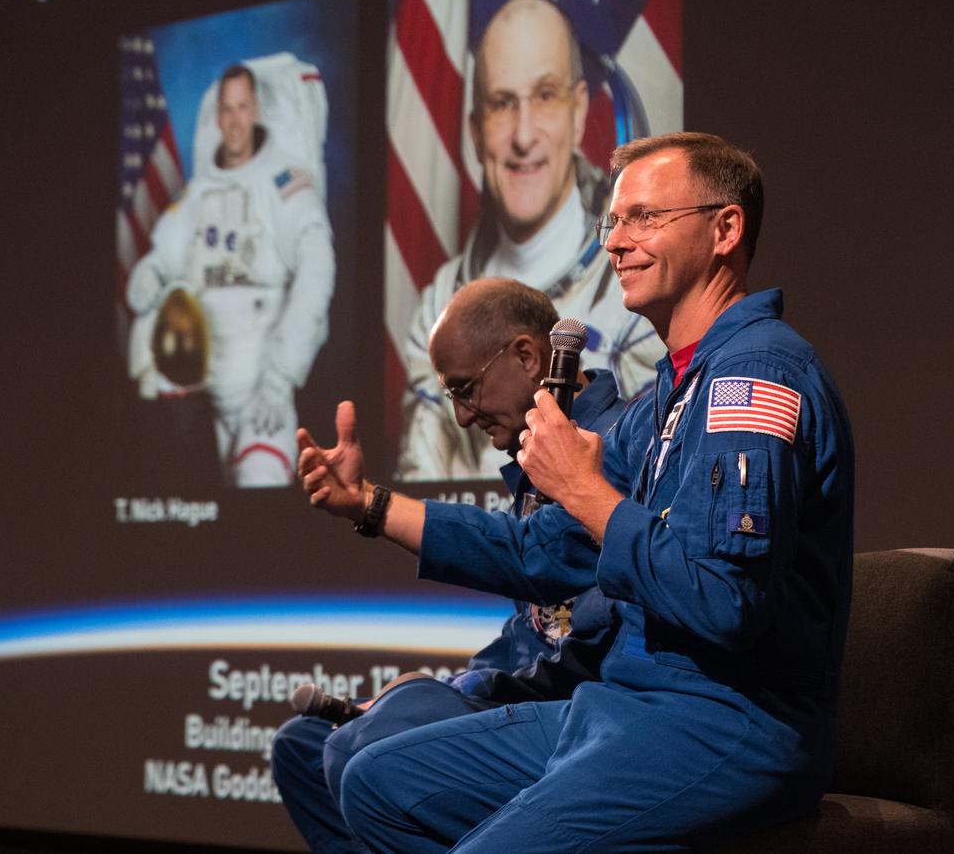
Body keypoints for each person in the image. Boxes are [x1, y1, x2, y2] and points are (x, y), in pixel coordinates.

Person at [300, 133, 854, 853]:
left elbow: (724, 602)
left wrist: (588, 492)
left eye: (645, 218)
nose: (618, 244)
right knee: (376, 779)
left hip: (728, 724)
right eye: (613, 223)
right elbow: (541, 553)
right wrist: (371, 505)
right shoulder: (669, 393)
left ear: (726, 229)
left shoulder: (755, 380)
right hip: (626, 706)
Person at [273, 278, 624, 854]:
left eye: (466, 389)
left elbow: (589, 642)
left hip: (578, 709)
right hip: (526, 694)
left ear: (529, 356)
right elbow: (536, 625)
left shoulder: (609, 448)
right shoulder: (535, 463)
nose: (461, 417)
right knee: (301, 746)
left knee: (352, 749)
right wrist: (442, 687)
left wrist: (465, 693)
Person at [396, 0, 663, 482]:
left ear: (579, 110)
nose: (523, 135)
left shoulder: (638, 295)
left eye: (544, 96)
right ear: (476, 132)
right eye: (501, 104)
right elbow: (428, 472)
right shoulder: (437, 307)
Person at [126, 64, 335, 487]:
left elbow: (318, 268)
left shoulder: (284, 183)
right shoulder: (200, 191)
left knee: (257, 485)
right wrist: (149, 275)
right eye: (227, 109)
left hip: (262, 393)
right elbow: (160, 258)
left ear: (256, 110)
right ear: (217, 117)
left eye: (243, 107)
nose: (235, 120)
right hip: (201, 396)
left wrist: (281, 376)